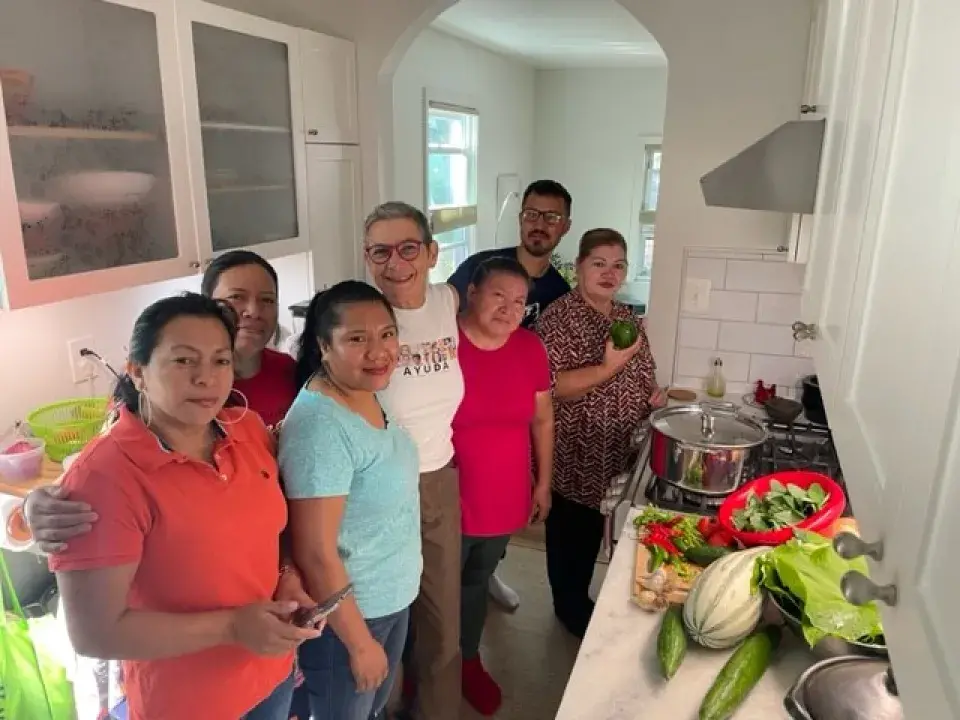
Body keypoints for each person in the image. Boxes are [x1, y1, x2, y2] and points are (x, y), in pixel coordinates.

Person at [23, 250, 314, 718]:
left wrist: (288, 578)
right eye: (183, 361)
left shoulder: (248, 430)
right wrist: (232, 628)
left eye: (220, 360)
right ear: (137, 371)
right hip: (188, 702)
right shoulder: (107, 476)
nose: (206, 377)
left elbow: (265, 535)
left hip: (270, 676)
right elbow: (95, 632)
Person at [279, 281, 422, 720]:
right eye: (356, 338)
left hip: (388, 597)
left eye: (386, 333)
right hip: (354, 617)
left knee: (371, 708)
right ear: (324, 346)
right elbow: (315, 552)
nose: (378, 350)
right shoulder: (321, 428)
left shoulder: (365, 393)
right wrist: (359, 644)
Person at [448, 179, 573, 611]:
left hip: (515, 408)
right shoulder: (480, 266)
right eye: (532, 214)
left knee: (483, 554)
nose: (540, 224)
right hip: (467, 417)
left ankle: (489, 572)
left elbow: (546, 403)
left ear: (564, 228)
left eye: (551, 217)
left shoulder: (560, 291)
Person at [535, 229, 666, 639]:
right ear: (579, 268)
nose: (610, 273)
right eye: (599, 264)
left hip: (619, 449)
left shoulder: (626, 318)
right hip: (575, 450)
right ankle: (567, 606)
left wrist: (653, 395)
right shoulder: (558, 319)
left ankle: (580, 598)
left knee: (593, 531)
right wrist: (608, 368)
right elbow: (552, 387)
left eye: (618, 265)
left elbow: (644, 371)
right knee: (569, 534)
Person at [362, 201, 464, 720]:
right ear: (367, 257)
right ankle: (385, 710)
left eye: (408, 248)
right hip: (373, 492)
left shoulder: (448, 300)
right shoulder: (358, 316)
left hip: (436, 479)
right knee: (381, 618)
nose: (394, 261)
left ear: (431, 253)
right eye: (381, 250)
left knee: (441, 620)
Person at [452, 257, 553, 716]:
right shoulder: (441, 344)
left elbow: (543, 418)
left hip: (505, 489)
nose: (510, 310)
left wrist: (544, 482)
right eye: (499, 296)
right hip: (444, 492)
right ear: (472, 292)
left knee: (475, 579)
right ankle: (426, 669)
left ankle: (467, 661)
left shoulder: (530, 348)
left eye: (519, 302)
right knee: (433, 587)